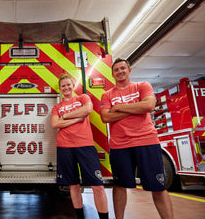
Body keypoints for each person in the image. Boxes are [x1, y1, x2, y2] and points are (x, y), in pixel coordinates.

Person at [100, 58, 174, 219]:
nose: (120, 71)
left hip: (146, 141)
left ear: (129, 70)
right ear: (112, 74)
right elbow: (105, 117)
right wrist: (136, 108)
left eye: (123, 68)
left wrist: (118, 107)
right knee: (120, 185)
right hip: (119, 145)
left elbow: (148, 106)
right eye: (116, 70)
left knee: (158, 186)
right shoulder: (107, 95)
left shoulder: (142, 86)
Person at [51, 73, 109, 219]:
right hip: (64, 147)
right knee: (73, 186)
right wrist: (76, 118)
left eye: (68, 85)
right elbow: (55, 124)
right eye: (63, 86)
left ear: (73, 86)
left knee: (98, 185)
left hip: (85, 145)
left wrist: (64, 118)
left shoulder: (83, 98)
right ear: (60, 88)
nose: (66, 88)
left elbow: (88, 110)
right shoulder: (57, 107)